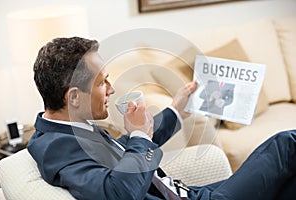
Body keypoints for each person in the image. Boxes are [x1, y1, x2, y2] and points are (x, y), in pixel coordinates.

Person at [28, 36, 296, 200]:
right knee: (286, 145)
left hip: (193, 193)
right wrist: (140, 136)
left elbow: (123, 154)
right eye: (102, 82)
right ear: (73, 97)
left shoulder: (69, 129)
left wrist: (176, 111)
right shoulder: (56, 147)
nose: (111, 89)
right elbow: (119, 193)